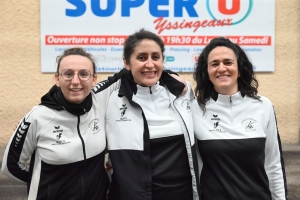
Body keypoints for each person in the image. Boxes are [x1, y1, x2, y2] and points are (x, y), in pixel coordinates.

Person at [1, 47, 125, 200]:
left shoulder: (99, 99)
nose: (75, 81)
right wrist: (46, 186)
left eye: (84, 74)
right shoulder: (38, 117)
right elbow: (11, 166)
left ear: (94, 79)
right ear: (57, 79)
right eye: (68, 74)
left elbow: (129, 72)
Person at [105, 29, 200, 200]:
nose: (150, 64)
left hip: (182, 194)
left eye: (155, 57)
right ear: (127, 63)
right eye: (141, 58)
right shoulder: (112, 100)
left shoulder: (182, 93)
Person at [192, 37, 288, 200]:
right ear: (207, 73)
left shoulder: (263, 106)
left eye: (228, 62)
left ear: (240, 69)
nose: (221, 68)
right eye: (214, 64)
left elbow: (274, 164)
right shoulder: (195, 109)